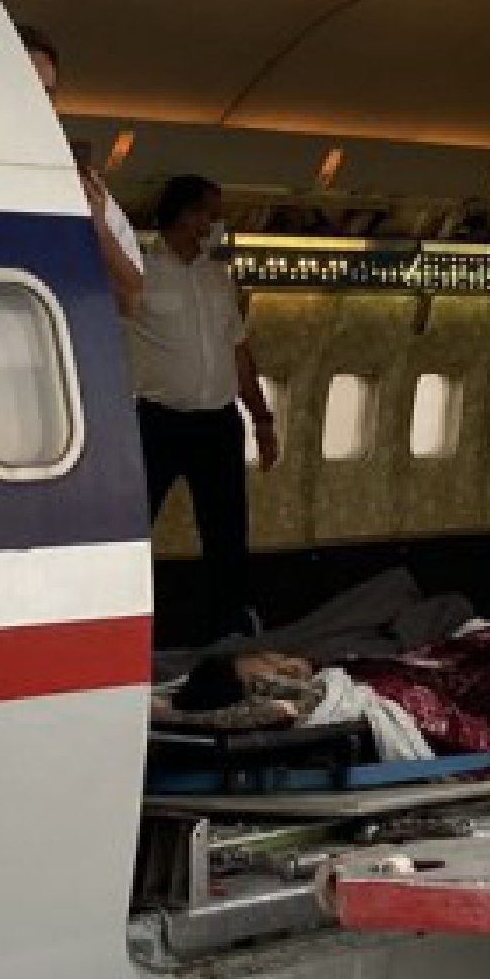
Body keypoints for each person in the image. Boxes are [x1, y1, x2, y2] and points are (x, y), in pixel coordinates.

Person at [129, 174, 280, 640]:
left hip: (217, 423)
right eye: (210, 214)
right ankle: (123, 622)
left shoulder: (217, 278)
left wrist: (262, 418)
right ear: (186, 214)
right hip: (157, 422)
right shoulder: (140, 272)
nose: (215, 224)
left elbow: (239, 352)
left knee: (227, 532)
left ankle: (229, 627)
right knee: (133, 527)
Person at [18, 23, 143, 316]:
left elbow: (132, 299)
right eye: (27, 88)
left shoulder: (79, 184)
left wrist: (96, 227)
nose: (40, 103)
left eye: (48, 93)